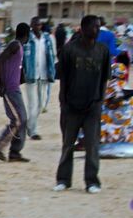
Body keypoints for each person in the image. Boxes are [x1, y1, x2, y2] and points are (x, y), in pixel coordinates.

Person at [54, 15, 111, 194]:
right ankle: (63, 180)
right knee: (68, 144)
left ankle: (92, 181)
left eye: (99, 27)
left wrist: (99, 100)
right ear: (84, 28)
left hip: (93, 105)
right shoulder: (69, 50)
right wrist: (63, 101)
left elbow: (104, 79)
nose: (97, 30)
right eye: (94, 27)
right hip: (71, 105)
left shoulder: (103, 51)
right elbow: (63, 78)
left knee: (92, 145)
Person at [0, 23, 31, 163]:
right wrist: (0, 85)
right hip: (9, 89)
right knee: (18, 120)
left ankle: (15, 152)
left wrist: (22, 77)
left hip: (15, 88)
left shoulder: (19, 46)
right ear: (27, 34)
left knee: (23, 119)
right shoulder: (14, 45)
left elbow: (15, 66)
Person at [23, 17, 57, 140]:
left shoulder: (47, 39)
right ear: (31, 26)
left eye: (39, 25)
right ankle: (33, 131)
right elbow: (21, 57)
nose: (37, 27)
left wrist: (52, 72)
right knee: (33, 104)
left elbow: (52, 56)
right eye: (35, 25)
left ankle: (29, 126)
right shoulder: (26, 39)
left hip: (44, 75)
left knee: (41, 105)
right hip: (31, 76)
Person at [100, 63, 133, 144]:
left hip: (115, 118)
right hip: (122, 119)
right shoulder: (122, 84)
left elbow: (115, 99)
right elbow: (120, 97)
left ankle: (103, 138)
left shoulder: (113, 83)